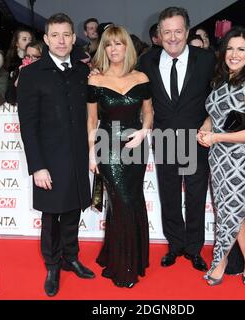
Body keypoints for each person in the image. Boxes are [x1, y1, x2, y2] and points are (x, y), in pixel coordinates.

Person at [17, 13, 95, 297]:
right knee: (51, 217)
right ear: (46, 39)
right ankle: (52, 265)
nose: (61, 41)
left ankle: (71, 257)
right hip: (49, 160)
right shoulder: (31, 74)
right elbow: (28, 125)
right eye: (55, 35)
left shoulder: (83, 72)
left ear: (74, 38)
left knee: (73, 210)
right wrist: (37, 166)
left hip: (77, 157)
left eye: (66, 35)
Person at [138, 7, 215, 272]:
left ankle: (194, 248)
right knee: (169, 195)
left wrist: (210, 121)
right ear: (158, 34)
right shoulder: (146, 61)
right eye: (167, 32)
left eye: (178, 31)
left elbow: (220, 96)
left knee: (195, 197)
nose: (172, 37)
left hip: (196, 140)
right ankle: (175, 245)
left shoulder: (206, 59)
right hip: (165, 139)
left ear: (187, 32)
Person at [197, 27, 245, 287]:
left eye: (241, 49)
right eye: (230, 48)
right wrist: (206, 127)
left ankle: (221, 261)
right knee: (235, 213)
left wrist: (217, 137)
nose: (234, 54)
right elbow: (215, 114)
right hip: (218, 159)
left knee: (231, 212)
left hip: (240, 160)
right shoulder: (220, 81)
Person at [87, 25, 153, 288]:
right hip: (108, 146)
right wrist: (92, 153)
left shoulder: (141, 78)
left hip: (136, 145)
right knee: (122, 201)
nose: (114, 49)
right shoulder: (95, 79)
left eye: (119, 44)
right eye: (108, 45)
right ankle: (124, 266)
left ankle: (128, 257)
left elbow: (148, 111)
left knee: (133, 200)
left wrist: (143, 132)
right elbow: (92, 119)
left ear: (127, 47)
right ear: (103, 49)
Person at [6, 40, 43, 104]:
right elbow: (10, 99)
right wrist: (20, 77)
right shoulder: (21, 70)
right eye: (28, 56)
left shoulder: (50, 73)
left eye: (35, 57)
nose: (30, 60)